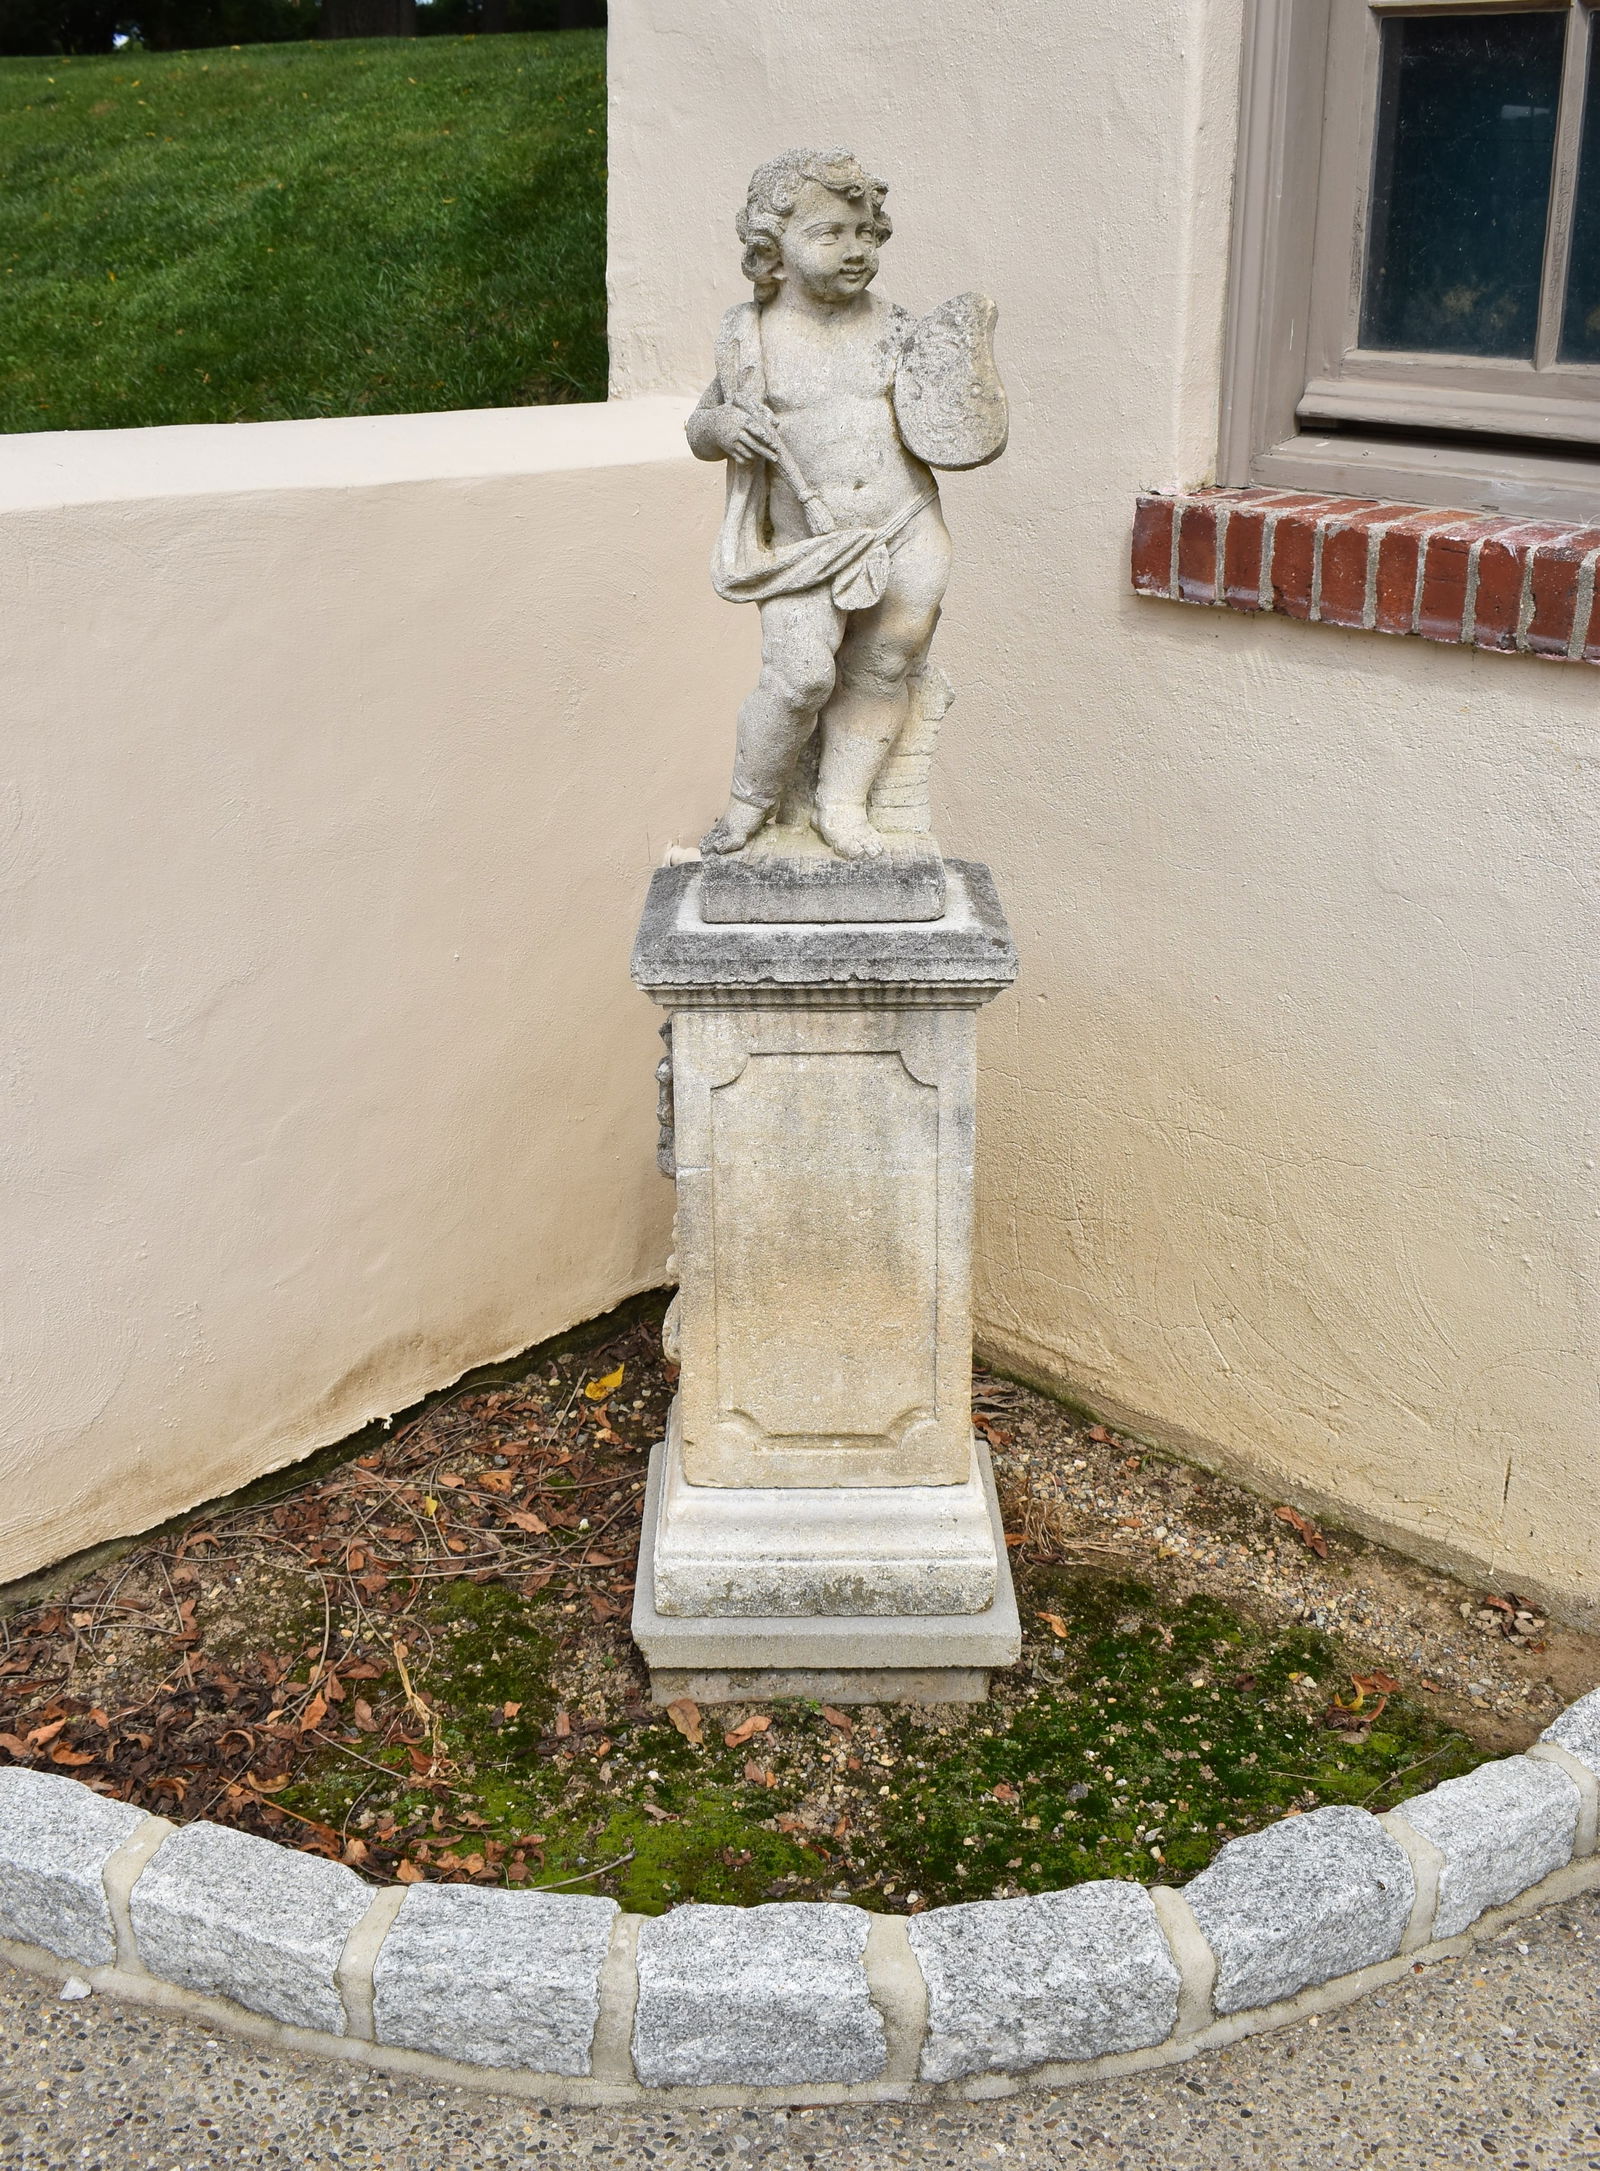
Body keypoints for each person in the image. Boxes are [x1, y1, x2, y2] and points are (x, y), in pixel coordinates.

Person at [688, 148, 960, 863]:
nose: (855, 249)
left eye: (866, 232)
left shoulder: (897, 328)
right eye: (830, 233)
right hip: (805, 543)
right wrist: (723, 427)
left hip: (904, 523)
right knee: (800, 676)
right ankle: (749, 802)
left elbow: (948, 420)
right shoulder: (750, 336)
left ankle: (843, 805)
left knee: (885, 663)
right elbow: (700, 427)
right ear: (772, 250)